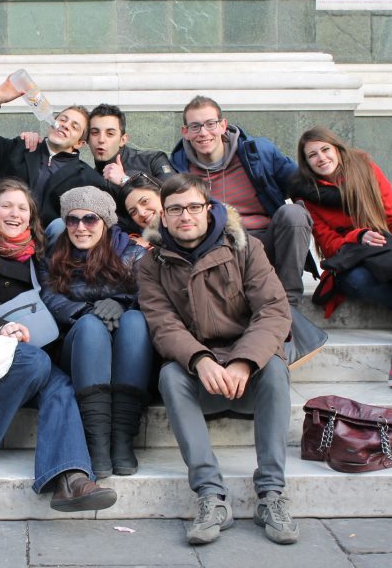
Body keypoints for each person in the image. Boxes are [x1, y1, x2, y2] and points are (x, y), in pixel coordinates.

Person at [0, 179, 117, 512]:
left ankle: (71, 479)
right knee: (36, 363)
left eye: (22, 208)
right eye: (6, 205)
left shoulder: (36, 256)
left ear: (31, 217)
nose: (14, 213)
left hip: (27, 354)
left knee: (60, 384)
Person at [139, 173, 297, 545]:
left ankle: (271, 494)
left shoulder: (246, 247)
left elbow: (274, 311)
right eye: (175, 209)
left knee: (275, 368)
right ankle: (210, 495)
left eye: (194, 207)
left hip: (248, 376)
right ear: (163, 217)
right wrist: (200, 359)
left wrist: (244, 361)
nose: (185, 216)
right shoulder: (151, 264)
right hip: (201, 377)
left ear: (209, 209)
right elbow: (162, 324)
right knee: (170, 376)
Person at [292, 126, 392, 388]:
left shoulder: (365, 169)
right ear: (306, 163)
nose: (321, 158)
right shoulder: (306, 193)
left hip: (385, 249)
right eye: (312, 155)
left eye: (325, 149)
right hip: (349, 261)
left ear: (338, 149)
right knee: (362, 281)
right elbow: (327, 243)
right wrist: (358, 236)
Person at [41, 186, 153, 478]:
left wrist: (121, 303)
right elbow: (50, 298)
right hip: (78, 345)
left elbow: (151, 296)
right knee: (91, 326)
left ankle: (122, 439)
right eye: (72, 219)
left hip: (127, 346)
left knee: (135, 321)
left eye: (90, 219)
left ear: (106, 221)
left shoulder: (134, 253)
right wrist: (87, 311)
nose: (80, 227)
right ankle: (97, 442)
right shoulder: (53, 255)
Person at [169, 96, 311, 307]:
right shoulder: (177, 169)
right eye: (195, 126)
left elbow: (303, 185)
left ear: (223, 126)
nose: (203, 132)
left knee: (294, 214)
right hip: (222, 248)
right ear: (185, 132)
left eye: (210, 124)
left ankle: (289, 302)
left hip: (267, 240)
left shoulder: (257, 153)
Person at [0, 75, 106, 225]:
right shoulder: (17, 150)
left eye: (74, 126)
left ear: (80, 143)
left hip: (51, 239)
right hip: (4, 233)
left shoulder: (87, 178)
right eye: (62, 119)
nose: (65, 125)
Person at [122, 173, 164, 249]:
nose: (141, 213)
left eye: (145, 201)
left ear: (161, 195)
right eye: (133, 212)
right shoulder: (141, 249)